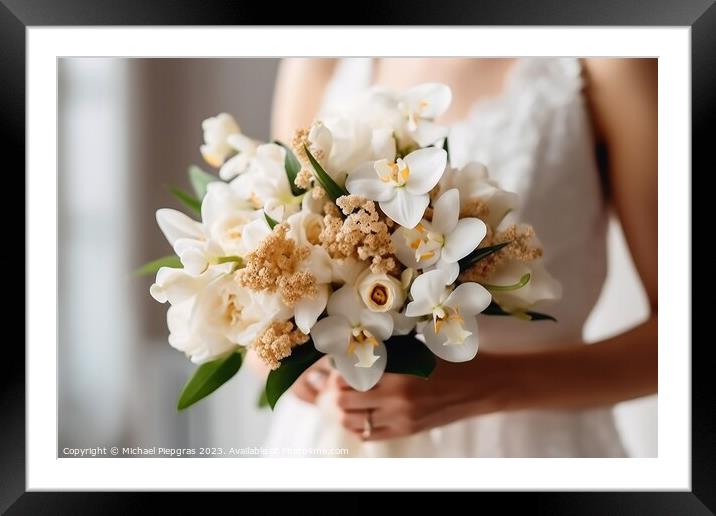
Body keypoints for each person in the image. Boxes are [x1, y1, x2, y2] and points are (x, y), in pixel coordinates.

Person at [256, 58, 657, 457]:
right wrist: (288, 363)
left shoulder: (609, 60)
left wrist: (488, 385)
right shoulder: (321, 56)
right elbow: (276, 264)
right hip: (329, 439)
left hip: (522, 447)